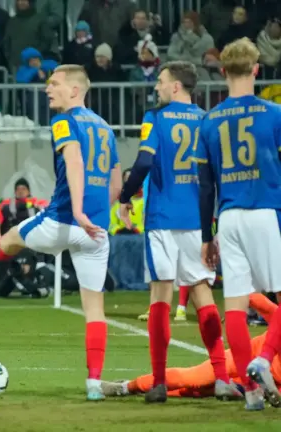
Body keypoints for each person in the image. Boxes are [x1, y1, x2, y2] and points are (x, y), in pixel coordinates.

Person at [117, 61, 240, 403]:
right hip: (197, 218)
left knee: (160, 294)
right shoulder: (206, 120)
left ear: (175, 87)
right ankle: (220, 378)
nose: (156, 87)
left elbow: (143, 162)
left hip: (162, 216)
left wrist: (125, 196)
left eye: (160, 81)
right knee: (201, 292)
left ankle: (158, 382)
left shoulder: (155, 118)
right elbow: (214, 173)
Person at [0, 64, 122, 401]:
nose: (47, 89)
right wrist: (96, 215)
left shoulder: (64, 121)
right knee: (94, 309)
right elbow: (117, 183)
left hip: (63, 221)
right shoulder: (105, 127)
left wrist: (79, 211)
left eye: (54, 84)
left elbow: (74, 161)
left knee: (5, 240)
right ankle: (94, 384)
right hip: (96, 232)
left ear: (75, 90)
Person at [195, 37, 281, 411]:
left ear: (224, 71)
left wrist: (205, 236)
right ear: (257, 70)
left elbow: (204, 185)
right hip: (266, 210)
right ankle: (263, 361)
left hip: (227, 217)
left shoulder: (210, 120)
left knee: (235, 305)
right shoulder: (274, 114)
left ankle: (251, 391)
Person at [101, 293, 279, 399]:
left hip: (262, 381)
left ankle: (140, 389)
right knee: (194, 378)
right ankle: (127, 387)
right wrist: (238, 306)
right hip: (245, 357)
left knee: (196, 391)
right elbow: (260, 302)